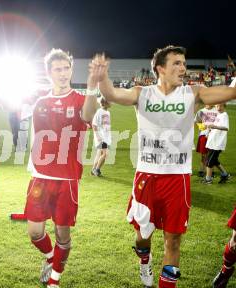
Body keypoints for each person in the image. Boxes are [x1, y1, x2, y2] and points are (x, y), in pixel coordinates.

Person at [89, 46, 236, 288]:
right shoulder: (142, 93)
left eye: (184, 63)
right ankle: (144, 260)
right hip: (146, 176)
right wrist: (102, 76)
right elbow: (112, 95)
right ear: (160, 68)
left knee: (173, 240)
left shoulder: (194, 93)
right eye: (177, 63)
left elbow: (230, 93)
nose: (183, 68)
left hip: (177, 179)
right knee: (142, 236)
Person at [21, 48, 97, 288]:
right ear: (48, 73)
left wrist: (93, 85)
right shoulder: (39, 100)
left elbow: (89, 114)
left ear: (72, 70)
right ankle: (51, 258)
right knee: (34, 232)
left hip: (67, 179)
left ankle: (54, 279)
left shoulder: (80, 100)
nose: (63, 73)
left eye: (66, 68)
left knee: (63, 234)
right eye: (58, 69)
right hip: (40, 177)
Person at [203, 103, 230, 184]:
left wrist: (214, 127)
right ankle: (225, 175)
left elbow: (226, 128)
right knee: (214, 161)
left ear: (224, 106)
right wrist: (208, 132)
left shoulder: (224, 115)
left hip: (217, 143)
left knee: (209, 162)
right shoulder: (218, 115)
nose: (218, 107)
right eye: (217, 106)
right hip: (212, 141)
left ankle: (208, 180)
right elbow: (213, 126)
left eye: (220, 105)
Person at [194, 104, 217, 177]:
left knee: (212, 154)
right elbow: (197, 121)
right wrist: (200, 125)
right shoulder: (201, 111)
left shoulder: (216, 111)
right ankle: (202, 170)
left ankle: (211, 171)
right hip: (203, 135)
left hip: (214, 135)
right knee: (203, 154)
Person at [91, 96, 111, 177]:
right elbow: (94, 124)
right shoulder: (99, 112)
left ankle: (93, 169)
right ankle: (97, 169)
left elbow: (106, 126)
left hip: (105, 137)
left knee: (99, 154)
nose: (111, 103)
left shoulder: (107, 112)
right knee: (105, 154)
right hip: (101, 137)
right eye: (109, 101)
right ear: (105, 103)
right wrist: (98, 136)